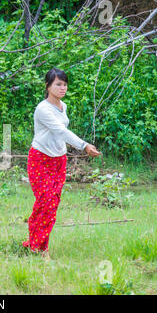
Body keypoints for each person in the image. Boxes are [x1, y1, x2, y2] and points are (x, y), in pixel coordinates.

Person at [23, 68, 101, 261]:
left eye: (65, 84)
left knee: (52, 203)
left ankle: (34, 243)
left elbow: (62, 133)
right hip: (40, 159)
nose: (62, 87)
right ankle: (41, 248)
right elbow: (61, 131)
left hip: (59, 160)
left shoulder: (62, 106)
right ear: (48, 86)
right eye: (58, 84)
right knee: (46, 202)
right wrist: (84, 146)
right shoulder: (43, 109)